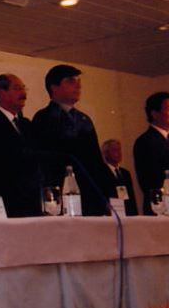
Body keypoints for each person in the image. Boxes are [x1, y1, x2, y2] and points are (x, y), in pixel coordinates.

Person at [30, 64, 113, 216]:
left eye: (78, 82)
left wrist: (106, 196)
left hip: (90, 196)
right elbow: (44, 164)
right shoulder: (43, 118)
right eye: (70, 81)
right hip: (60, 195)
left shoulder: (84, 119)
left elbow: (96, 161)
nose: (78, 86)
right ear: (54, 87)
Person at [0, 73, 41, 217]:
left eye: (24, 88)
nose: (23, 94)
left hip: (33, 202)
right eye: (17, 88)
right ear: (1, 93)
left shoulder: (26, 124)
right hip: (8, 203)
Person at [101, 139, 138, 216]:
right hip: (111, 214)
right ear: (106, 153)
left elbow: (131, 197)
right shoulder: (101, 172)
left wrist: (134, 215)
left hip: (128, 214)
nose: (118, 153)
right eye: (114, 150)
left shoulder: (125, 173)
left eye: (119, 150)